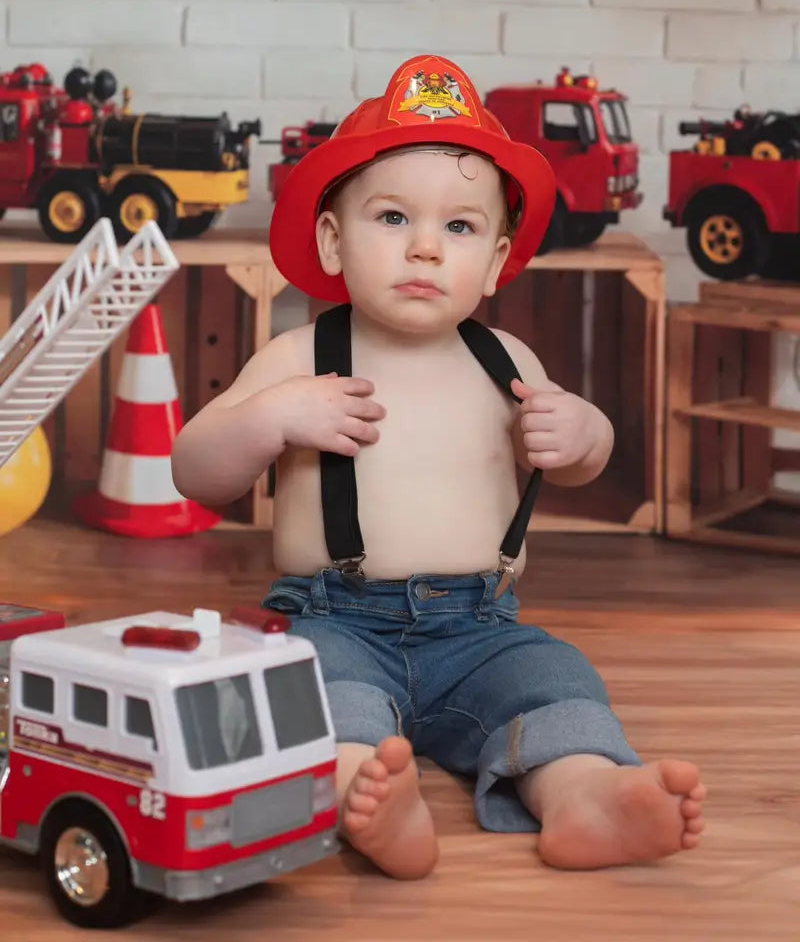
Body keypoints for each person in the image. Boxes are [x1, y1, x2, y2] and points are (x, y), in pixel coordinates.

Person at [172, 55, 706, 881]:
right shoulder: (299, 357)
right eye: (392, 217)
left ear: (494, 262)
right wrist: (271, 417)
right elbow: (194, 472)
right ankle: (371, 795)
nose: (425, 248)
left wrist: (584, 431)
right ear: (331, 238)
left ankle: (584, 795)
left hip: (481, 627)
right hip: (335, 617)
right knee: (319, 693)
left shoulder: (507, 359)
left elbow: (575, 465)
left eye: (458, 229)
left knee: (553, 679)